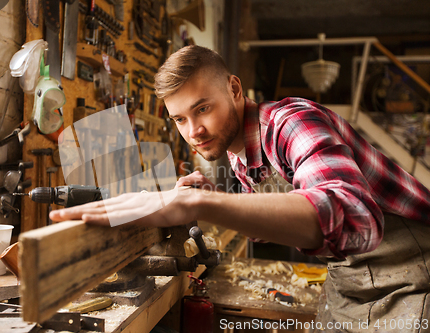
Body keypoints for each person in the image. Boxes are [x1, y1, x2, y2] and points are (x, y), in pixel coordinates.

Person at [51, 45, 430, 332]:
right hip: (351, 280)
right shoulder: (239, 151)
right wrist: (217, 199)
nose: (193, 132)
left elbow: (353, 220)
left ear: (234, 88)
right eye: (180, 119)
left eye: (202, 109)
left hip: (414, 273)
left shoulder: (290, 123)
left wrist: (203, 201)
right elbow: (273, 220)